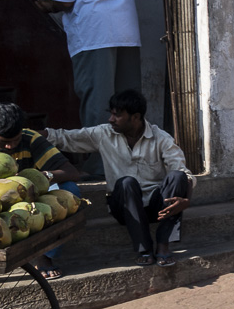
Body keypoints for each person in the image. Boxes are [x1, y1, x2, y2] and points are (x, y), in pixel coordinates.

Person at [34, 0, 141, 174]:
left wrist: (47, 5)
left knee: (98, 101)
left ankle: (99, 167)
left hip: (94, 34)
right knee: (127, 103)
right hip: (125, 31)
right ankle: (135, 162)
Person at [47, 90, 194, 268]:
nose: (111, 119)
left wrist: (186, 199)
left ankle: (163, 245)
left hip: (157, 207)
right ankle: (144, 249)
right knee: (126, 182)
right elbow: (65, 138)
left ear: (135, 117)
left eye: (117, 115)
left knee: (178, 177)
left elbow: (182, 171)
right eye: (111, 114)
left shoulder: (161, 138)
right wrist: (29, 135)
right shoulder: (104, 134)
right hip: (124, 206)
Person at [0, 102, 84, 279]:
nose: (10, 147)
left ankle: (44, 254)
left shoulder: (30, 138)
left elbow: (71, 172)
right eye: (3, 142)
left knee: (70, 190)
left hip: (26, 203)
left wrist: (39, 177)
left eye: (15, 140)